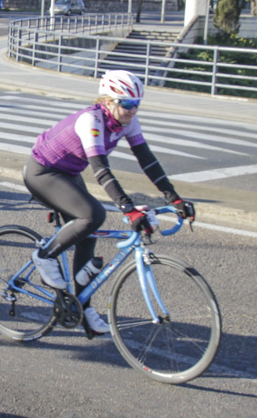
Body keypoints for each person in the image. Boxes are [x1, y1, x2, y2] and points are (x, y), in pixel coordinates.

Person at [22, 69, 194, 334]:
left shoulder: (127, 122)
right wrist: (127, 208)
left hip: (68, 174)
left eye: (136, 104)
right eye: (126, 103)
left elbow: (148, 162)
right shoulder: (90, 120)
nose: (132, 110)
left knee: (87, 236)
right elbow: (101, 169)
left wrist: (175, 197)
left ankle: (84, 308)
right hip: (43, 172)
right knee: (93, 215)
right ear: (107, 101)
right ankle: (44, 256)